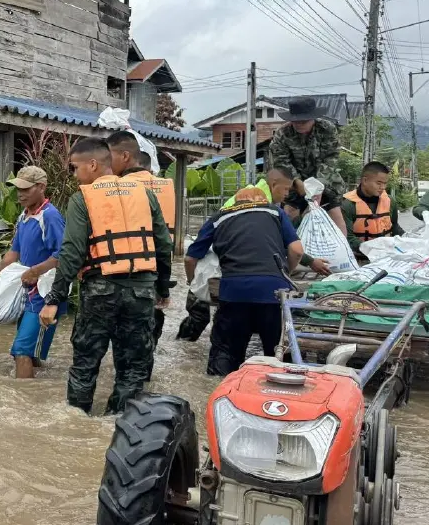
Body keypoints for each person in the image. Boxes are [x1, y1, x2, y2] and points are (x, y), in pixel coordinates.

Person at [38, 137, 172, 415]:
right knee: (133, 368)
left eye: (75, 168)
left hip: (100, 291)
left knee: (85, 364)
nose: (74, 175)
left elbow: (72, 252)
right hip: (141, 292)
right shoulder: (144, 194)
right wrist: (162, 288)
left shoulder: (82, 198)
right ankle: (119, 424)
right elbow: (163, 244)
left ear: (92, 164)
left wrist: (54, 298)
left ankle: (77, 423)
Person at [185, 187, 305, 376]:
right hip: (274, 294)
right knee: (279, 357)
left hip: (233, 292)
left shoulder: (219, 217)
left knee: (224, 359)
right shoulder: (275, 212)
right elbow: (297, 250)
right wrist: (284, 274)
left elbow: (190, 258)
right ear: (262, 200)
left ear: (236, 202)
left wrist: (192, 282)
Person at [106, 131, 174, 378]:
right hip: (150, 279)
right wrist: (164, 288)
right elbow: (165, 244)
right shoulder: (162, 189)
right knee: (143, 345)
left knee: (120, 345)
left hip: (113, 279)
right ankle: (141, 386)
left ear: (125, 157)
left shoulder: (109, 189)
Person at [0, 166, 67, 379]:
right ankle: (36, 391)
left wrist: (35, 271)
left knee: (21, 351)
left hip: (45, 293)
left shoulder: (50, 216)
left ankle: (21, 394)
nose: (20, 194)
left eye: (26, 189)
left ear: (41, 187)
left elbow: (63, 254)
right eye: (18, 189)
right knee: (31, 351)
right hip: (27, 290)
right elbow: (14, 251)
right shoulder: (23, 216)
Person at [267, 97, 348, 236]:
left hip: (324, 179)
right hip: (293, 182)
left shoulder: (327, 129)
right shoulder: (282, 133)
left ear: (313, 118)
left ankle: (343, 246)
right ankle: (289, 245)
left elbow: (331, 158)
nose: (299, 124)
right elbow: (281, 162)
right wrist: (297, 182)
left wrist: (317, 185)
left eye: (303, 121)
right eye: (295, 121)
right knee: (290, 212)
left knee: (334, 212)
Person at [341, 161, 405, 257]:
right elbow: (347, 237)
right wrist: (371, 249)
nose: (383, 187)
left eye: (385, 183)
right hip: (358, 257)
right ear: (365, 181)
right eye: (378, 183)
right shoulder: (348, 204)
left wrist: (406, 239)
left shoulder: (390, 201)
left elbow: (394, 226)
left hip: (387, 255)